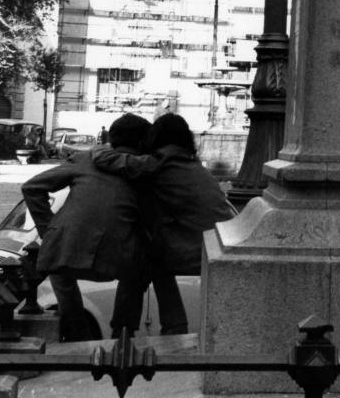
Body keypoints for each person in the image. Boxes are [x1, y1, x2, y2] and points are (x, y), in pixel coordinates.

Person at [93, 112, 231, 335]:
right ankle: (172, 327)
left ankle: (125, 330)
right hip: (220, 244)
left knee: (139, 263)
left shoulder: (159, 163)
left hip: (199, 250)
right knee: (154, 259)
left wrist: (100, 148)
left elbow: (111, 161)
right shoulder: (190, 163)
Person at [22, 113, 151, 341]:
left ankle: (77, 330)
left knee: (58, 267)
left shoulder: (85, 159)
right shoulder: (146, 169)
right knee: (140, 267)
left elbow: (32, 187)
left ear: (111, 137)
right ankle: (122, 331)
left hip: (66, 247)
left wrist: (48, 229)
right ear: (143, 142)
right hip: (117, 255)